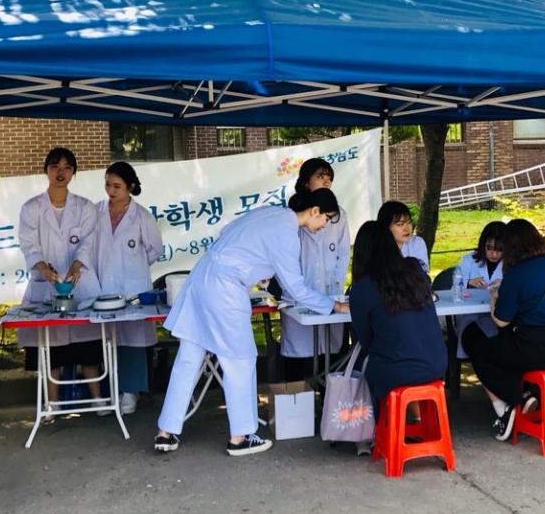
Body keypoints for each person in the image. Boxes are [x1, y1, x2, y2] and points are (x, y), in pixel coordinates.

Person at [155, 189, 349, 456]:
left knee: (188, 359)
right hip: (225, 288)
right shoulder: (288, 234)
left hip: (202, 278)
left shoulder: (272, 213)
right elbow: (296, 288)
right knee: (241, 360)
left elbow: (230, 234)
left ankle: (165, 432)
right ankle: (240, 437)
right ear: (314, 211)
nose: (325, 225)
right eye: (326, 218)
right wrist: (334, 305)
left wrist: (258, 270)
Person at [462, 218, 545, 441]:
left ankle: (513, 401)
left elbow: (501, 321)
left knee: (474, 341)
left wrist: (494, 297)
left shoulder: (517, 273)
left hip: (537, 348)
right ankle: (527, 395)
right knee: (504, 347)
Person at [18, 147, 102, 402]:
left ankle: (98, 401)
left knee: (88, 347)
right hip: (46, 285)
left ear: (73, 172)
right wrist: (42, 267)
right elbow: (29, 244)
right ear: (46, 170)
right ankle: (52, 404)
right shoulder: (32, 207)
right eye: (55, 167)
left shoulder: (85, 207)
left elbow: (88, 241)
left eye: (67, 167)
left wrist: (77, 265)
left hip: (80, 283)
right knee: (50, 348)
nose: (61, 172)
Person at [348, 221, 446, 416]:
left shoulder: (362, 287)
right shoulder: (415, 269)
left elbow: (365, 339)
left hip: (398, 371)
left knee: (361, 364)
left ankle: (378, 427)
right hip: (437, 364)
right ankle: (415, 420)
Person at [93, 161, 163, 416]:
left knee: (132, 339)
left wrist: (133, 267)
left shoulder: (142, 216)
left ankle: (131, 392)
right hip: (104, 286)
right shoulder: (96, 212)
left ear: (130, 187)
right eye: (108, 185)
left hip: (133, 286)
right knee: (107, 339)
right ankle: (110, 391)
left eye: (117, 186)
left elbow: (155, 250)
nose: (111, 191)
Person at [280, 158, 351, 378]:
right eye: (320, 176)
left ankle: (327, 397)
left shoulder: (339, 215)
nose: (326, 181)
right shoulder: (292, 216)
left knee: (329, 355)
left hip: (330, 290)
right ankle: (297, 397)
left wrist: (336, 282)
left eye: (329, 178)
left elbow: (343, 253)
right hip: (298, 294)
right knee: (298, 355)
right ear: (305, 182)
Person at [454, 221, 505, 359]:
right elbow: (455, 288)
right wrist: (468, 283)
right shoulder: (468, 260)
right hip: (471, 314)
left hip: (498, 315)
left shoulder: (511, 263)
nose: (494, 253)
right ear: (483, 245)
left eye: (499, 249)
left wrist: (505, 284)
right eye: (489, 248)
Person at [378, 200, 429, 272]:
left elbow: (422, 273)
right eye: (400, 224)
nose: (406, 228)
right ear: (386, 227)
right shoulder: (377, 246)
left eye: (409, 222)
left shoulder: (417, 242)